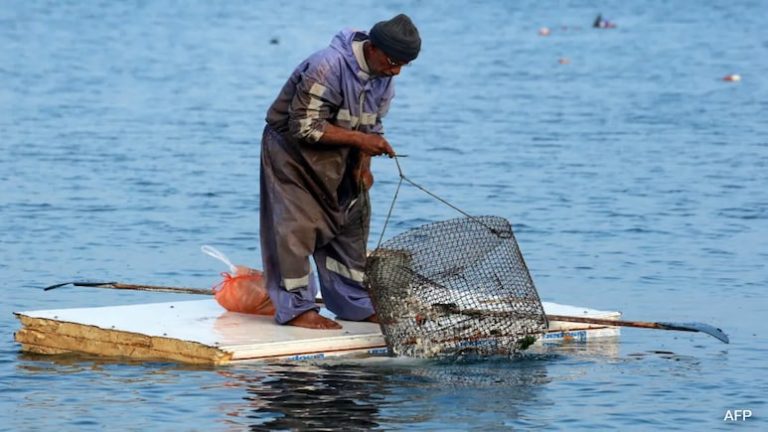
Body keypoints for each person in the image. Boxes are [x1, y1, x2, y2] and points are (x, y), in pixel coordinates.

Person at [260, 14, 421, 329]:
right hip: (291, 155)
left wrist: (364, 166)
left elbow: (372, 125)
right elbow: (303, 126)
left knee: (352, 223)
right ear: (372, 48)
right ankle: (296, 309)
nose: (397, 71)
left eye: (404, 64)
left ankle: (355, 303)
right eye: (393, 61)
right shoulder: (327, 67)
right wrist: (362, 141)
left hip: (341, 155)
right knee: (295, 228)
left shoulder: (384, 77)